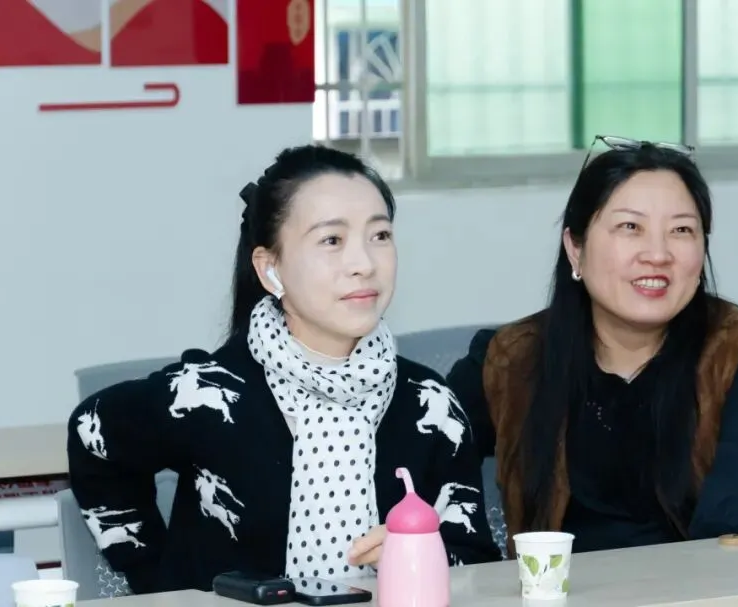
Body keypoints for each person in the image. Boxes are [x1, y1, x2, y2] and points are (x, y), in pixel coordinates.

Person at [67, 145, 500, 594]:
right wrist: (158, 582)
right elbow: (91, 434)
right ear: (271, 268)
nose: (364, 264)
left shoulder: (429, 403)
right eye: (332, 240)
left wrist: (417, 555)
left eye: (380, 235)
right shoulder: (209, 394)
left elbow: (476, 564)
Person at [448, 137, 738, 555]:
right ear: (575, 248)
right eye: (630, 227)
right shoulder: (511, 359)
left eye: (681, 230)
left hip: (702, 587)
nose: (658, 254)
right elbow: (425, 461)